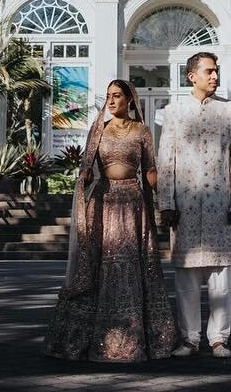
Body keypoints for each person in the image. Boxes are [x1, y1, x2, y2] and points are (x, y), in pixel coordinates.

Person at [43, 79, 178, 362]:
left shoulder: (142, 131)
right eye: (108, 96)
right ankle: (88, 338)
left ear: (130, 99)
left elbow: (151, 170)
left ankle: (142, 338)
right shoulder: (98, 131)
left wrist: (169, 199)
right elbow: (88, 168)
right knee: (99, 264)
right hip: (103, 203)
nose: (111, 101)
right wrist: (85, 177)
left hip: (133, 203)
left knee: (133, 264)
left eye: (117, 96)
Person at [156, 51, 231, 359]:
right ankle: (190, 339)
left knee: (221, 275)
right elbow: (165, 160)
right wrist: (166, 203)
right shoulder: (173, 112)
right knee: (185, 276)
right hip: (184, 205)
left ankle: (219, 339)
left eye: (216, 71)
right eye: (209, 71)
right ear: (192, 76)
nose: (215, 76)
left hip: (219, 203)